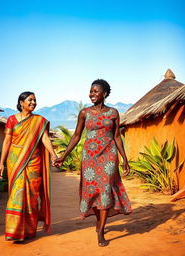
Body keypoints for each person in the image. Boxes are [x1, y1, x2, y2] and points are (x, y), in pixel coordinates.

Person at [54, 79, 132, 247]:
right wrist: (64, 155)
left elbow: (117, 136)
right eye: (90, 91)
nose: (92, 94)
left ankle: (101, 230)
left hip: (109, 156)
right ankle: (99, 221)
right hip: (89, 158)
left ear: (104, 93)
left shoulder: (113, 112)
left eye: (95, 91)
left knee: (104, 190)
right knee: (92, 192)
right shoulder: (84, 113)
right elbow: (76, 135)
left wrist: (124, 158)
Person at [0, 91, 57, 241]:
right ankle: (14, 230)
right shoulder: (11, 120)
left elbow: (44, 138)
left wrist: (53, 155)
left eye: (35, 100)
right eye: (30, 100)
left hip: (33, 162)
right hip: (15, 161)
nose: (33, 102)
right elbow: (7, 141)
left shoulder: (39, 121)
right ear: (21, 102)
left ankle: (29, 230)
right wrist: (1, 163)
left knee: (31, 196)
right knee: (16, 195)